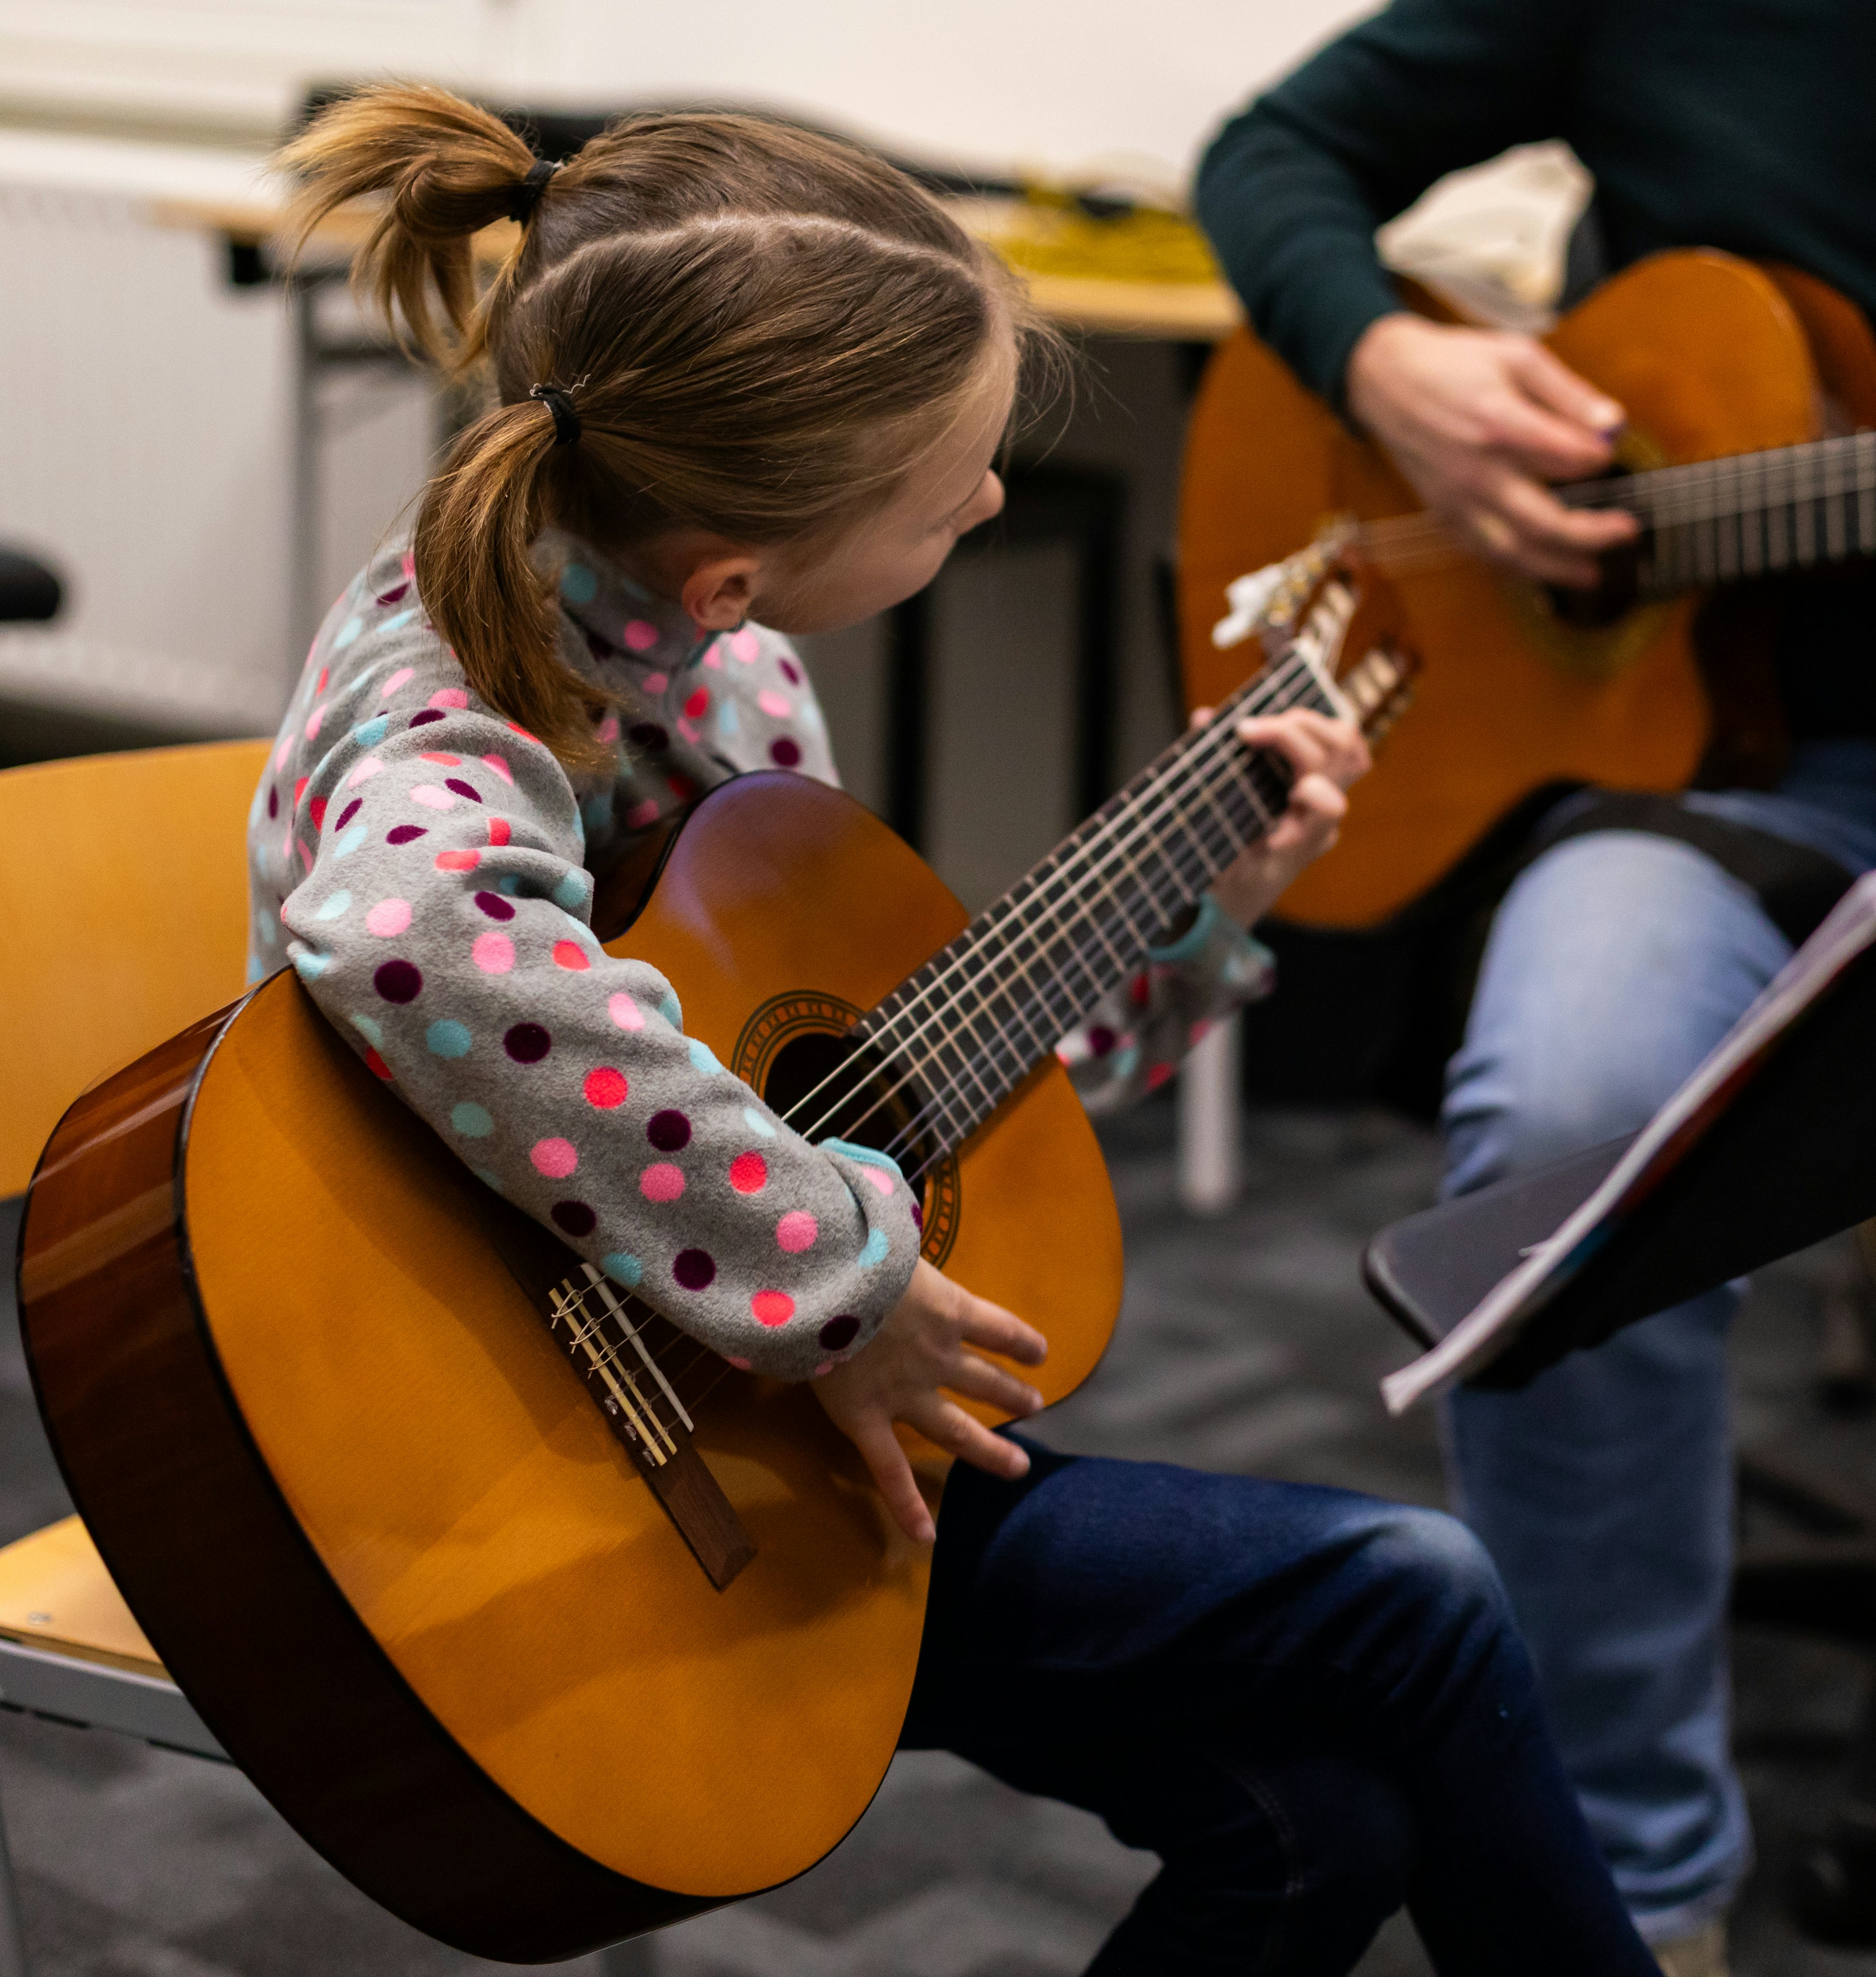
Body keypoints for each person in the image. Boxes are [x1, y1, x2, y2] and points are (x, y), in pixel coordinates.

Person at [249, 83, 1662, 1975]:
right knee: (1423, 1592)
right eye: (950, 498)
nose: (992, 502)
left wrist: (1208, 910)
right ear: (734, 578)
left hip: (732, 1397)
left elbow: (908, 1099)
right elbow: (409, 934)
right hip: (555, 1493)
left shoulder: (707, 656)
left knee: (1323, 1824)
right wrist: (829, 1274)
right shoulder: (471, 702)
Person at [1199, 6, 1876, 1972]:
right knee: (1566, 1122)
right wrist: (1392, 363)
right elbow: (1272, 157)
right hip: (1736, 773)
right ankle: (1630, 1891)